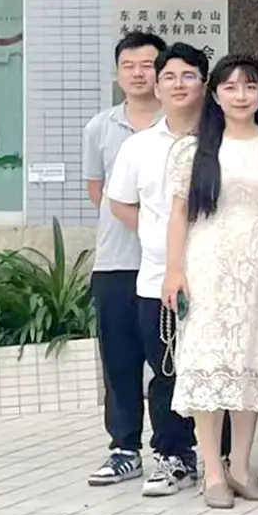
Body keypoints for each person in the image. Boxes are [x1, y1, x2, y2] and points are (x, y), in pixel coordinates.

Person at [157, 54, 258, 509]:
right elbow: (178, 214)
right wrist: (174, 270)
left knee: (251, 359)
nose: (241, 96)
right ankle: (213, 470)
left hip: (257, 261)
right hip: (206, 263)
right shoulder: (193, 149)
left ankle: (242, 466)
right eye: (230, 87)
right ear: (215, 95)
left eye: (250, 86)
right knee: (208, 361)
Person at [103, 40, 207, 497]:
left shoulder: (222, 139)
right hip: (157, 278)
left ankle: (219, 455)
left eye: (188, 76)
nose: (178, 84)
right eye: (169, 76)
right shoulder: (139, 146)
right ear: (158, 86)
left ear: (205, 84)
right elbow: (120, 202)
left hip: (216, 275)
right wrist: (158, 236)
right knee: (166, 370)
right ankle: (173, 456)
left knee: (216, 366)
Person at [83, 31, 167, 487]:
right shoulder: (99, 127)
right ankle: (124, 448)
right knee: (119, 361)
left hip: (167, 265)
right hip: (116, 262)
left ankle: (175, 449)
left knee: (167, 361)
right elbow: (100, 192)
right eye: (128, 66)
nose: (138, 74)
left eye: (148, 65)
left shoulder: (180, 123)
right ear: (117, 73)